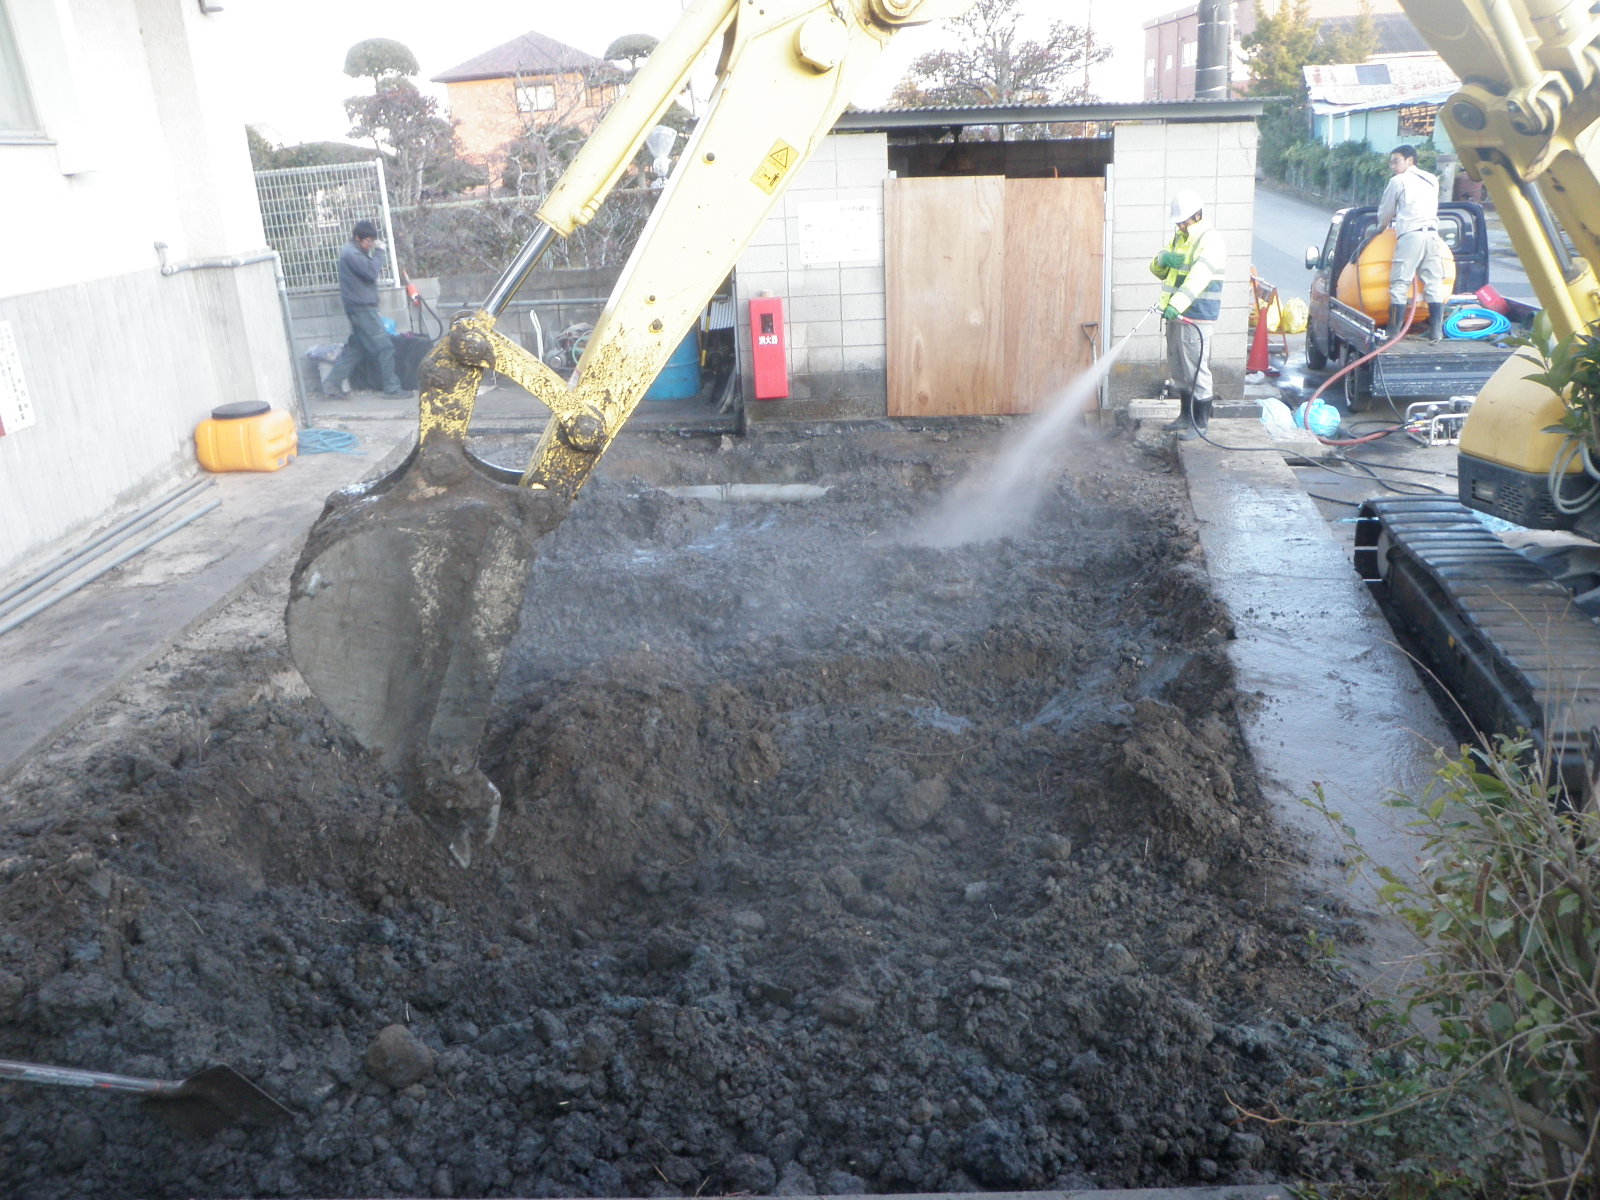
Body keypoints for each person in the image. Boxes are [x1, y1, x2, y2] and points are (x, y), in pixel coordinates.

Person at [1151, 189, 1226, 440]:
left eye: (1183, 220)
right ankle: (1185, 416)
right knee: (1179, 368)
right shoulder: (1179, 238)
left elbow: (1199, 277)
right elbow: (1161, 272)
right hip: (1174, 313)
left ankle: (1200, 424)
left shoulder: (1209, 239)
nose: (1180, 224)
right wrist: (1161, 259)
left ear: (1197, 215)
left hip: (1196, 315)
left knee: (1196, 369)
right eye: (1178, 221)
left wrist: (1178, 304)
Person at [319, 219, 407, 398]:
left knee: (357, 349)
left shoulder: (354, 251)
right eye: (368, 241)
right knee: (385, 347)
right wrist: (380, 252)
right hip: (362, 309)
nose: (371, 244)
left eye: (372, 241)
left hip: (358, 308)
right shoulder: (352, 254)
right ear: (358, 237)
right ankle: (392, 388)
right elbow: (370, 273)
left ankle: (331, 385)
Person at [1374, 144, 1448, 342]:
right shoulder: (1432, 179)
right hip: (1433, 235)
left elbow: (1386, 211)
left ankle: (1393, 331)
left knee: (1400, 282)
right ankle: (1436, 331)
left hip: (1411, 235)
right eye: (1391, 162)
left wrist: (1380, 228)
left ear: (1410, 160)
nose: (1392, 166)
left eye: (1396, 161)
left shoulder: (1398, 181)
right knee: (1433, 281)